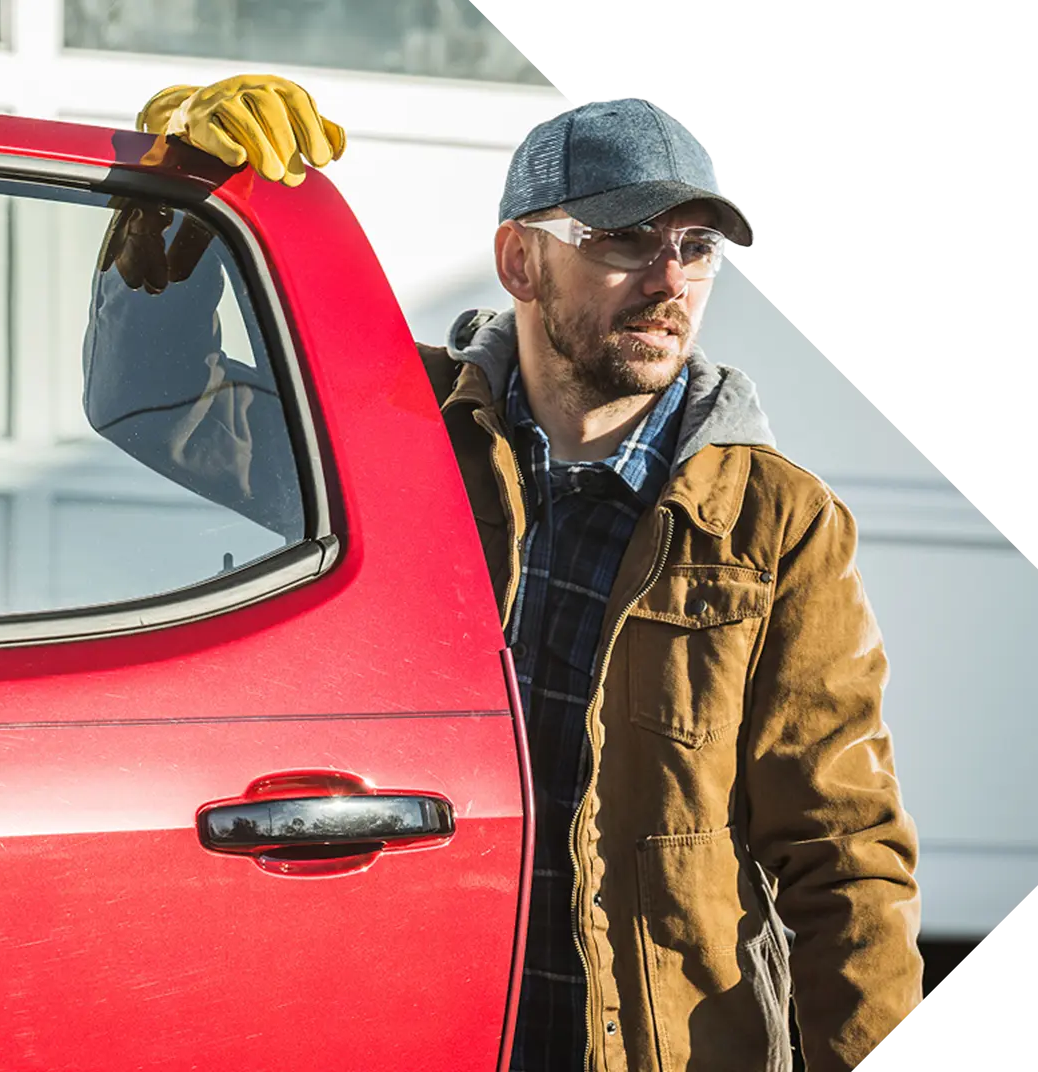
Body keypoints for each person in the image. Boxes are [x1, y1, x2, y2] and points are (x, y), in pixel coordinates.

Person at [94, 76, 924, 1072]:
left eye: (697, 247)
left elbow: (847, 862)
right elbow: (152, 397)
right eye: (625, 240)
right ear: (520, 259)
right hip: (421, 1023)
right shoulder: (395, 439)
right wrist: (174, 193)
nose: (671, 280)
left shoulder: (778, 524)